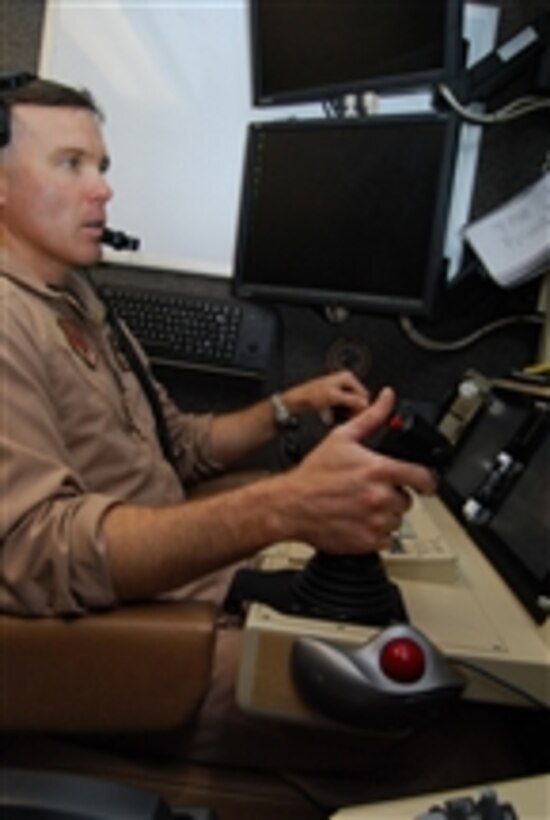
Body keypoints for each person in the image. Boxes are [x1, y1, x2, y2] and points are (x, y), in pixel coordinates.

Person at [0, 77, 537, 811]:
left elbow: (180, 448)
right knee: (466, 739)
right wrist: (279, 509)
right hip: (135, 641)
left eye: (103, 166)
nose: (103, 191)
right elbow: (37, 553)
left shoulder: (77, 301)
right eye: (71, 164)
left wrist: (292, 403)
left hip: (185, 594)